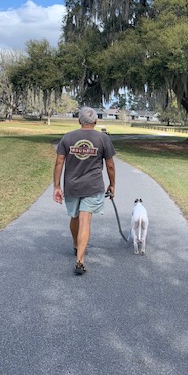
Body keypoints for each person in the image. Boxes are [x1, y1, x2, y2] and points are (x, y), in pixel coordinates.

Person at [53, 106, 116, 275]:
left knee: (75, 217)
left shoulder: (68, 137)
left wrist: (57, 186)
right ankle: (80, 261)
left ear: (79, 120)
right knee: (85, 220)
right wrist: (112, 185)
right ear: (96, 121)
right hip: (93, 186)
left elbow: (59, 162)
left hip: (72, 186)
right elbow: (110, 165)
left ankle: (76, 245)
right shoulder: (103, 138)